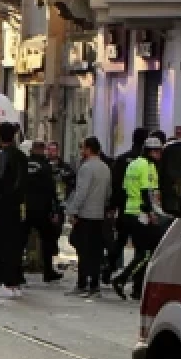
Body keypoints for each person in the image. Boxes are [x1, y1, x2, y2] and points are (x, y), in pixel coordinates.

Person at [112, 136, 163, 300]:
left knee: (141, 252)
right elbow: (146, 192)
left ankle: (133, 285)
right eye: (157, 151)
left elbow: (126, 188)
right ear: (151, 151)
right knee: (146, 254)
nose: (159, 155)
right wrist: (151, 213)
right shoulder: (148, 166)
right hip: (142, 214)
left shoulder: (133, 164)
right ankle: (123, 279)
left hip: (129, 211)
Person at [65, 137, 112, 298]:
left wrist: (73, 211)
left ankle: (82, 283)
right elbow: (108, 193)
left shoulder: (86, 168)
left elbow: (81, 192)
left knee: (83, 251)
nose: (81, 151)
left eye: (82, 148)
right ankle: (94, 285)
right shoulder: (105, 168)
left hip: (85, 215)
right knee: (95, 251)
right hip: (99, 215)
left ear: (88, 149)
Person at [0, 123, 28, 300]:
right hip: (17, 205)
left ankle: (7, 283)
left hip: (3, 205)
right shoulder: (21, 155)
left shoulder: (2, 155)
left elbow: (1, 177)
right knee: (14, 244)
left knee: (4, 245)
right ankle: (15, 282)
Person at [105, 127, 148, 282]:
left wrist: (113, 206)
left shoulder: (122, 160)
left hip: (124, 208)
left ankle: (108, 269)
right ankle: (136, 279)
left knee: (120, 241)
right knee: (140, 247)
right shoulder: (145, 162)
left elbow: (116, 186)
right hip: (141, 210)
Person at [23, 140, 64, 283]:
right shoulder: (46, 167)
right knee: (47, 239)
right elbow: (50, 189)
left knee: (21, 241)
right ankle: (48, 271)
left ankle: (17, 273)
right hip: (42, 209)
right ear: (43, 150)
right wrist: (55, 209)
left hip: (26, 208)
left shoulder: (24, 164)